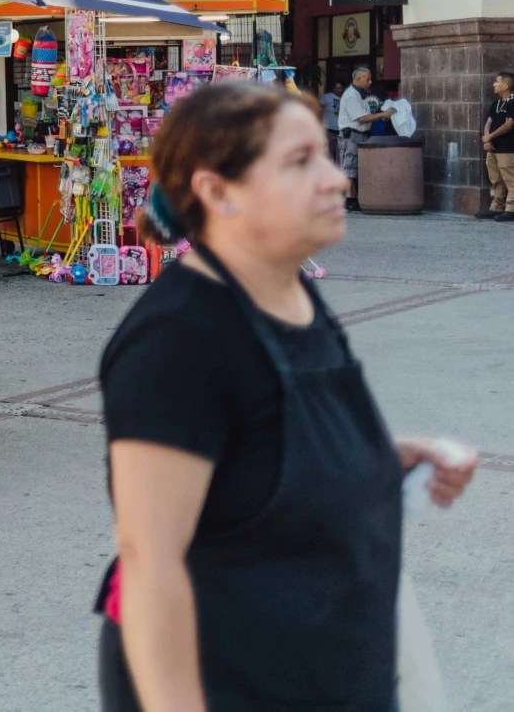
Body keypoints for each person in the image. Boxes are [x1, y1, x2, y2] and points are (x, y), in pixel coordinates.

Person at [96, 83, 477, 711]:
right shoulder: (176, 340)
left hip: (326, 666)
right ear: (217, 191)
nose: (336, 180)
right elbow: (150, 566)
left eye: (325, 156)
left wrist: (384, 460)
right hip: (232, 682)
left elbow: (263, 454)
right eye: (301, 162)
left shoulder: (289, 290)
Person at [337, 65, 392, 211]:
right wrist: (382, 114)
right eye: (367, 79)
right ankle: (349, 199)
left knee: (358, 166)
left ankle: (355, 197)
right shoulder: (351, 95)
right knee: (349, 166)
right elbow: (361, 118)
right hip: (351, 134)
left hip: (361, 134)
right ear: (358, 78)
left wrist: (380, 116)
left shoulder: (360, 94)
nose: (370, 82)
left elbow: (367, 115)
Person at [477, 70, 514, 221]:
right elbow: (489, 122)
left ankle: (511, 208)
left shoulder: (512, 102)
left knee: (510, 178)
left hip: (508, 147)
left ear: (505, 86)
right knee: (496, 178)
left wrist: (490, 137)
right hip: (493, 147)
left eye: (497, 81)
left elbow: (509, 124)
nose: (494, 84)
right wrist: (487, 140)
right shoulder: (496, 103)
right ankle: (497, 206)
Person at [319, 80, 342, 162]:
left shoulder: (345, 98)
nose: (337, 90)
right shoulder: (326, 97)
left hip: (341, 131)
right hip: (328, 129)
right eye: (335, 88)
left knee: (340, 156)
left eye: (339, 88)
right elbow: (319, 109)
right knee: (327, 154)